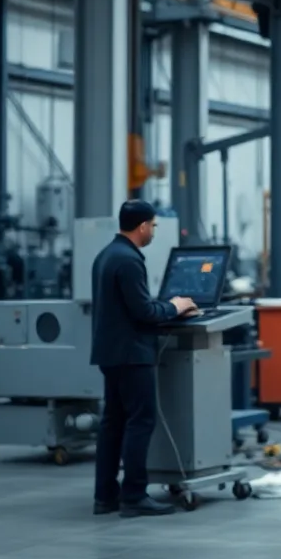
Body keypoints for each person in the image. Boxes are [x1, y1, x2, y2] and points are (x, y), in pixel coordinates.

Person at [90, 200, 197, 518]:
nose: (153, 231)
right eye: (153, 225)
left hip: (110, 353)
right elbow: (144, 311)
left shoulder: (106, 255)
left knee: (113, 424)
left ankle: (105, 496)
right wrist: (175, 306)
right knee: (141, 421)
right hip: (132, 354)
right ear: (142, 227)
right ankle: (134, 496)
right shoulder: (129, 260)